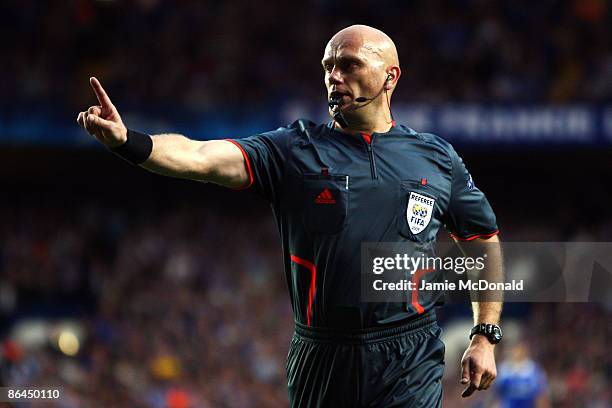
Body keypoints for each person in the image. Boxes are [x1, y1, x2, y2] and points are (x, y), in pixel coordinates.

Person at [77, 24, 503, 407]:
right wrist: (129, 141)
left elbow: (482, 241)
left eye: (349, 65)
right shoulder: (292, 150)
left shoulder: (436, 157)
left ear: (390, 76)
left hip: (409, 353)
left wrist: (485, 334)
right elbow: (201, 156)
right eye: (328, 67)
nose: (334, 77)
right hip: (322, 355)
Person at [495, 341, 550, 408]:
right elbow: (497, 394)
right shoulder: (504, 369)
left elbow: (541, 395)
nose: (517, 353)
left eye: (519, 350)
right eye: (515, 350)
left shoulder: (533, 369)